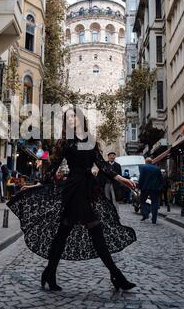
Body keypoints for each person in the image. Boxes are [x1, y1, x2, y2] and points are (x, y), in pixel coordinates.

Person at [8, 107, 137, 292]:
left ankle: (49, 273)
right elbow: (52, 168)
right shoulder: (65, 142)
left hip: (87, 189)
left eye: (73, 116)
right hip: (73, 190)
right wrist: (38, 184)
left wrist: (121, 179)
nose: (70, 120)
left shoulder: (90, 140)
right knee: (96, 231)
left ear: (81, 119)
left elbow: (102, 166)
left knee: (63, 233)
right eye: (67, 118)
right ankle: (117, 275)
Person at [139, 158, 163, 224]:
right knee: (154, 203)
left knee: (142, 201)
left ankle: (146, 214)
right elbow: (161, 179)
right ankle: (154, 220)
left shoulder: (143, 168)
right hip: (155, 188)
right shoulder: (157, 168)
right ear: (151, 162)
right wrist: (159, 187)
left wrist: (139, 187)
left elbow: (141, 178)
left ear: (146, 162)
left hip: (145, 188)